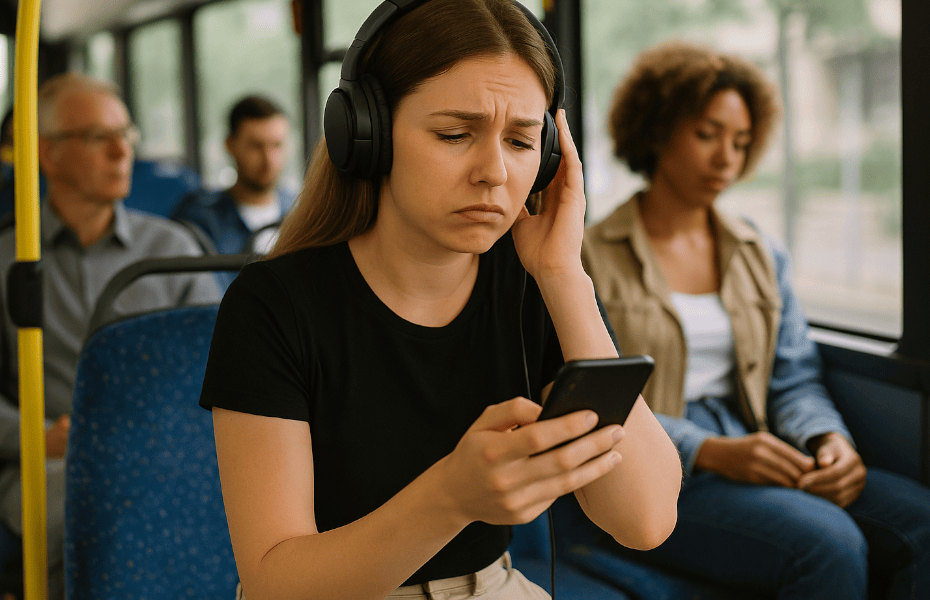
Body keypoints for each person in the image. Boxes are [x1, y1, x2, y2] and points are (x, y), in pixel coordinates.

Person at [199, 2, 682, 599]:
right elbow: (275, 584)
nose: (494, 173)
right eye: (455, 134)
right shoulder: (274, 306)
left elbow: (647, 519)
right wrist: (450, 497)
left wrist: (563, 275)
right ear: (367, 136)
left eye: (520, 141)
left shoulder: (534, 284)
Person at [581, 40, 930, 599]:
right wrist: (710, 451)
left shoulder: (758, 252)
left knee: (921, 520)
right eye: (707, 134)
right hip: (658, 468)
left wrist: (828, 437)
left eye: (742, 143)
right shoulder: (591, 255)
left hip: (758, 442)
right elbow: (591, 402)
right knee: (829, 545)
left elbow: (793, 377)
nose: (728, 159)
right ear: (656, 129)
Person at [0, 73, 221, 599]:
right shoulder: (7, 260)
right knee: (96, 509)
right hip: (51, 461)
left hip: (171, 451)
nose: (124, 152)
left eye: (128, 134)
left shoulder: (176, 249)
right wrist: (35, 434)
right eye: (101, 137)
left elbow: (227, 364)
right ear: (49, 155)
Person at [171, 95, 295, 256]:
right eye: (256, 146)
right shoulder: (198, 219)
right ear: (230, 146)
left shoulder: (302, 213)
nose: (269, 159)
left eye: (277, 145)